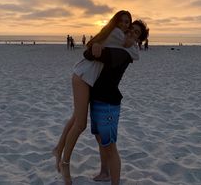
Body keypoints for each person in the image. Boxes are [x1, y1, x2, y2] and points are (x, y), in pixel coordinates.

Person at [53, 11, 138, 184]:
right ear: (115, 22)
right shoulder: (115, 34)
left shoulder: (123, 40)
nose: (124, 24)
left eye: (127, 22)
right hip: (83, 76)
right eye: (121, 21)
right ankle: (65, 164)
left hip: (90, 80)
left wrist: (128, 42)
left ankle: (59, 148)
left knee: (77, 117)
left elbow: (133, 51)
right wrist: (95, 46)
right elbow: (90, 50)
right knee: (80, 124)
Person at [85, 20, 149, 185]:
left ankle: (115, 181)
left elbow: (90, 54)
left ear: (138, 41)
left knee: (110, 146)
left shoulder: (124, 54)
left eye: (136, 33)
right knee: (100, 140)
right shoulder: (119, 46)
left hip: (108, 104)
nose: (131, 33)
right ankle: (104, 172)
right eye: (130, 29)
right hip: (97, 98)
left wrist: (96, 46)